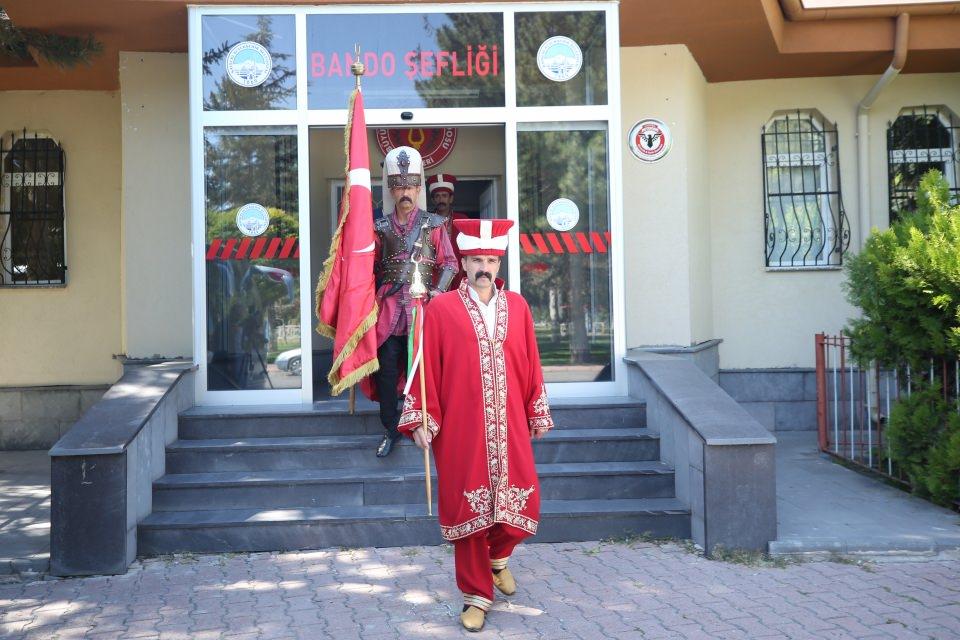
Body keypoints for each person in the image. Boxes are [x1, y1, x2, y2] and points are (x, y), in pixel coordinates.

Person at [398, 218, 554, 632]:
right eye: (477, 260)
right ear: (464, 264)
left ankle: (498, 557)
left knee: (525, 502)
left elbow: (531, 361)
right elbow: (425, 369)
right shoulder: (441, 309)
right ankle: (476, 596)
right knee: (469, 511)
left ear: (499, 264)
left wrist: (536, 409)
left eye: (491, 260)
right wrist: (421, 417)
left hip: (510, 424)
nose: (484, 268)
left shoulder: (517, 307)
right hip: (461, 430)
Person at [370, 146, 457, 458]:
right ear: (391, 190)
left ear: (419, 189)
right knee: (386, 371)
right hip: (389, 311)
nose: (405, 192)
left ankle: (422, 423)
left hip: (423, 311)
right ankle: (390, 428)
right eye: (399, 187)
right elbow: (369, 270)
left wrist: (438, 292)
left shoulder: (434, 224)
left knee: (423, 370)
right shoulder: (379, 227)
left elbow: (450, 264)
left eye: (410, 187)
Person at [426, 173, 469, 288]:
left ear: (451, 198)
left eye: (444, 196)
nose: (441, 199)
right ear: (433, 200)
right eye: (437, 196)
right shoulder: (426, 221)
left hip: (459, 275)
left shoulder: (462, 220)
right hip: (433, 275)